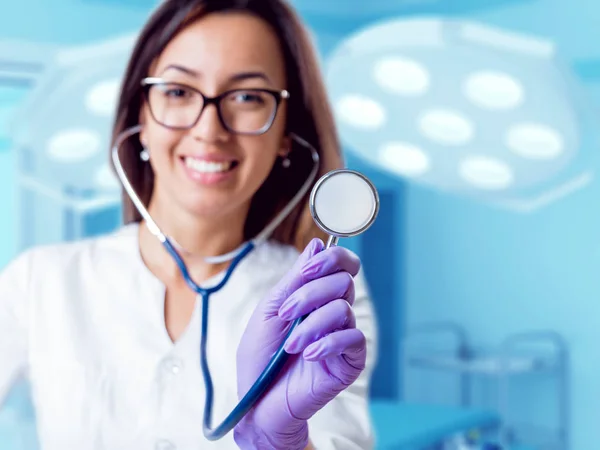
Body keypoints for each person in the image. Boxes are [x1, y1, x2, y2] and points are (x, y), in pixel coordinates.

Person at [0, 0, 379, 448]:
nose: (208, 130)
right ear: (141, 116)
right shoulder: (39, 281)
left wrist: (284, 442)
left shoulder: (325, 301)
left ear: (285, 136)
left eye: (247, 97)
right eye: (178, 91)